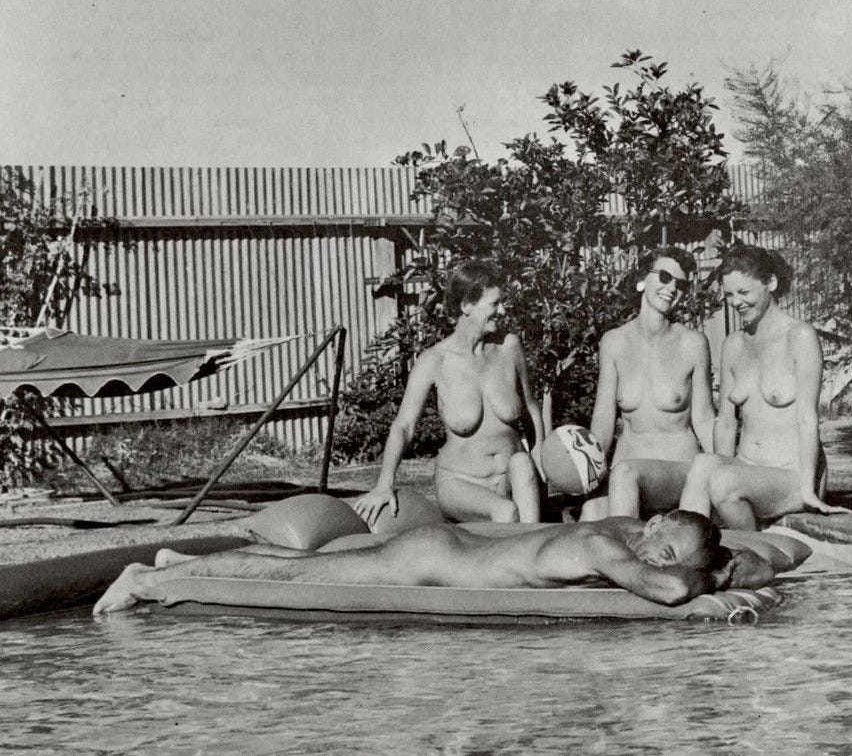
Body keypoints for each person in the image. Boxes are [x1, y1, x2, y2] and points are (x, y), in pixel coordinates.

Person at [92, 510, 775, 615]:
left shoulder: (623, 525)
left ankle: (179, 556)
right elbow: (662, 591)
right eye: (661, 545)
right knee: (299, 577)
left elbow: (755, 559)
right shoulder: (608, 546)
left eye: (668, 553)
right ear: (653, 527)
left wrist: (722, 557)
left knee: (314, 565)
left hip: (445, 548)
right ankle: (149, 581)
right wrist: (713, 575)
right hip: (426, 565)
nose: (656, 556)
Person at [354, 260, 544, 526]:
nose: (502, 310)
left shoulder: (509, 347)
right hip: (461, 482)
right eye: (494, 304)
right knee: (506, 513)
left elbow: (531, 409)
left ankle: (535, 549)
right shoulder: (435, 360)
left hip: (512, 478)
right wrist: (384, 483)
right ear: (466, 306)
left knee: (523, 464)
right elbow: (404, 426)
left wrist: (541, 463)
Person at [679, 245, 850, 530]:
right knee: (702, 465)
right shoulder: (733, 345)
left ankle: (754, 556)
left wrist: (808, 490)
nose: (736, 302)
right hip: (747, 469)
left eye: (744, 293)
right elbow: (725, 424)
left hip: (791, 475)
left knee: (723, 482)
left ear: (771, 283)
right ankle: (682, 549)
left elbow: (807, 417)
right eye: (730, 295)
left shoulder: (799, 336)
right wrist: (720, 466)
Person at [580, 247, 716, 520]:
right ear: (642, 279)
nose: (671, 288)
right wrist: (588, 469)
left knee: (626, 477)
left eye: (680, 284)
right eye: (664, 277)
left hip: (677, 474)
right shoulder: (614, 342)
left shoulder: (692, 343)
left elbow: (703, 418)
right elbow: (604, 419)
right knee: (589, 513)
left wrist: (722, 471)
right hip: (624, 479)